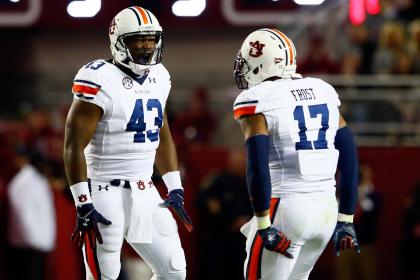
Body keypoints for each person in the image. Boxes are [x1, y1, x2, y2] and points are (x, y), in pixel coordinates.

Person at [63, 6, 192, 280]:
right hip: (104, 189)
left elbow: (163, 133)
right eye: (137, 39)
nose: (147, 45)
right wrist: (82, 202)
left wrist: (174, 187)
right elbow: (73, 144)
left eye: (151, 38)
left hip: (145, 189)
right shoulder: (98, 77)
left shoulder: (160, 76)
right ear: (119, 41)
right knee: (104, 275)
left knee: (174, 270)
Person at [232, 28, 361, 280]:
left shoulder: (257, 98)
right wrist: (346, 216)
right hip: (325, 210)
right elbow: (349, 156)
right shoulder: (321, 90)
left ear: (261, 64)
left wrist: (262, 222)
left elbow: (256, 165)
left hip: (286, 208)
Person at [196, 148, 253, 280]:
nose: (241, 163)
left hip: (244, 240)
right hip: (220, 240)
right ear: (230, 161)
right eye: (238, 160)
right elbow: (202, 201)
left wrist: (248, 221)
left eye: (244, 161)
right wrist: (229, 221)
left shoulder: (254, 183)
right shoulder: (218, 179)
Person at [6, 148, 56, 280]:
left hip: (35, 242)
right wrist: (33, 240)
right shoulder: (25, 182)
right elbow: (24, 213)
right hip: (29, 244)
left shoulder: (36, 180)